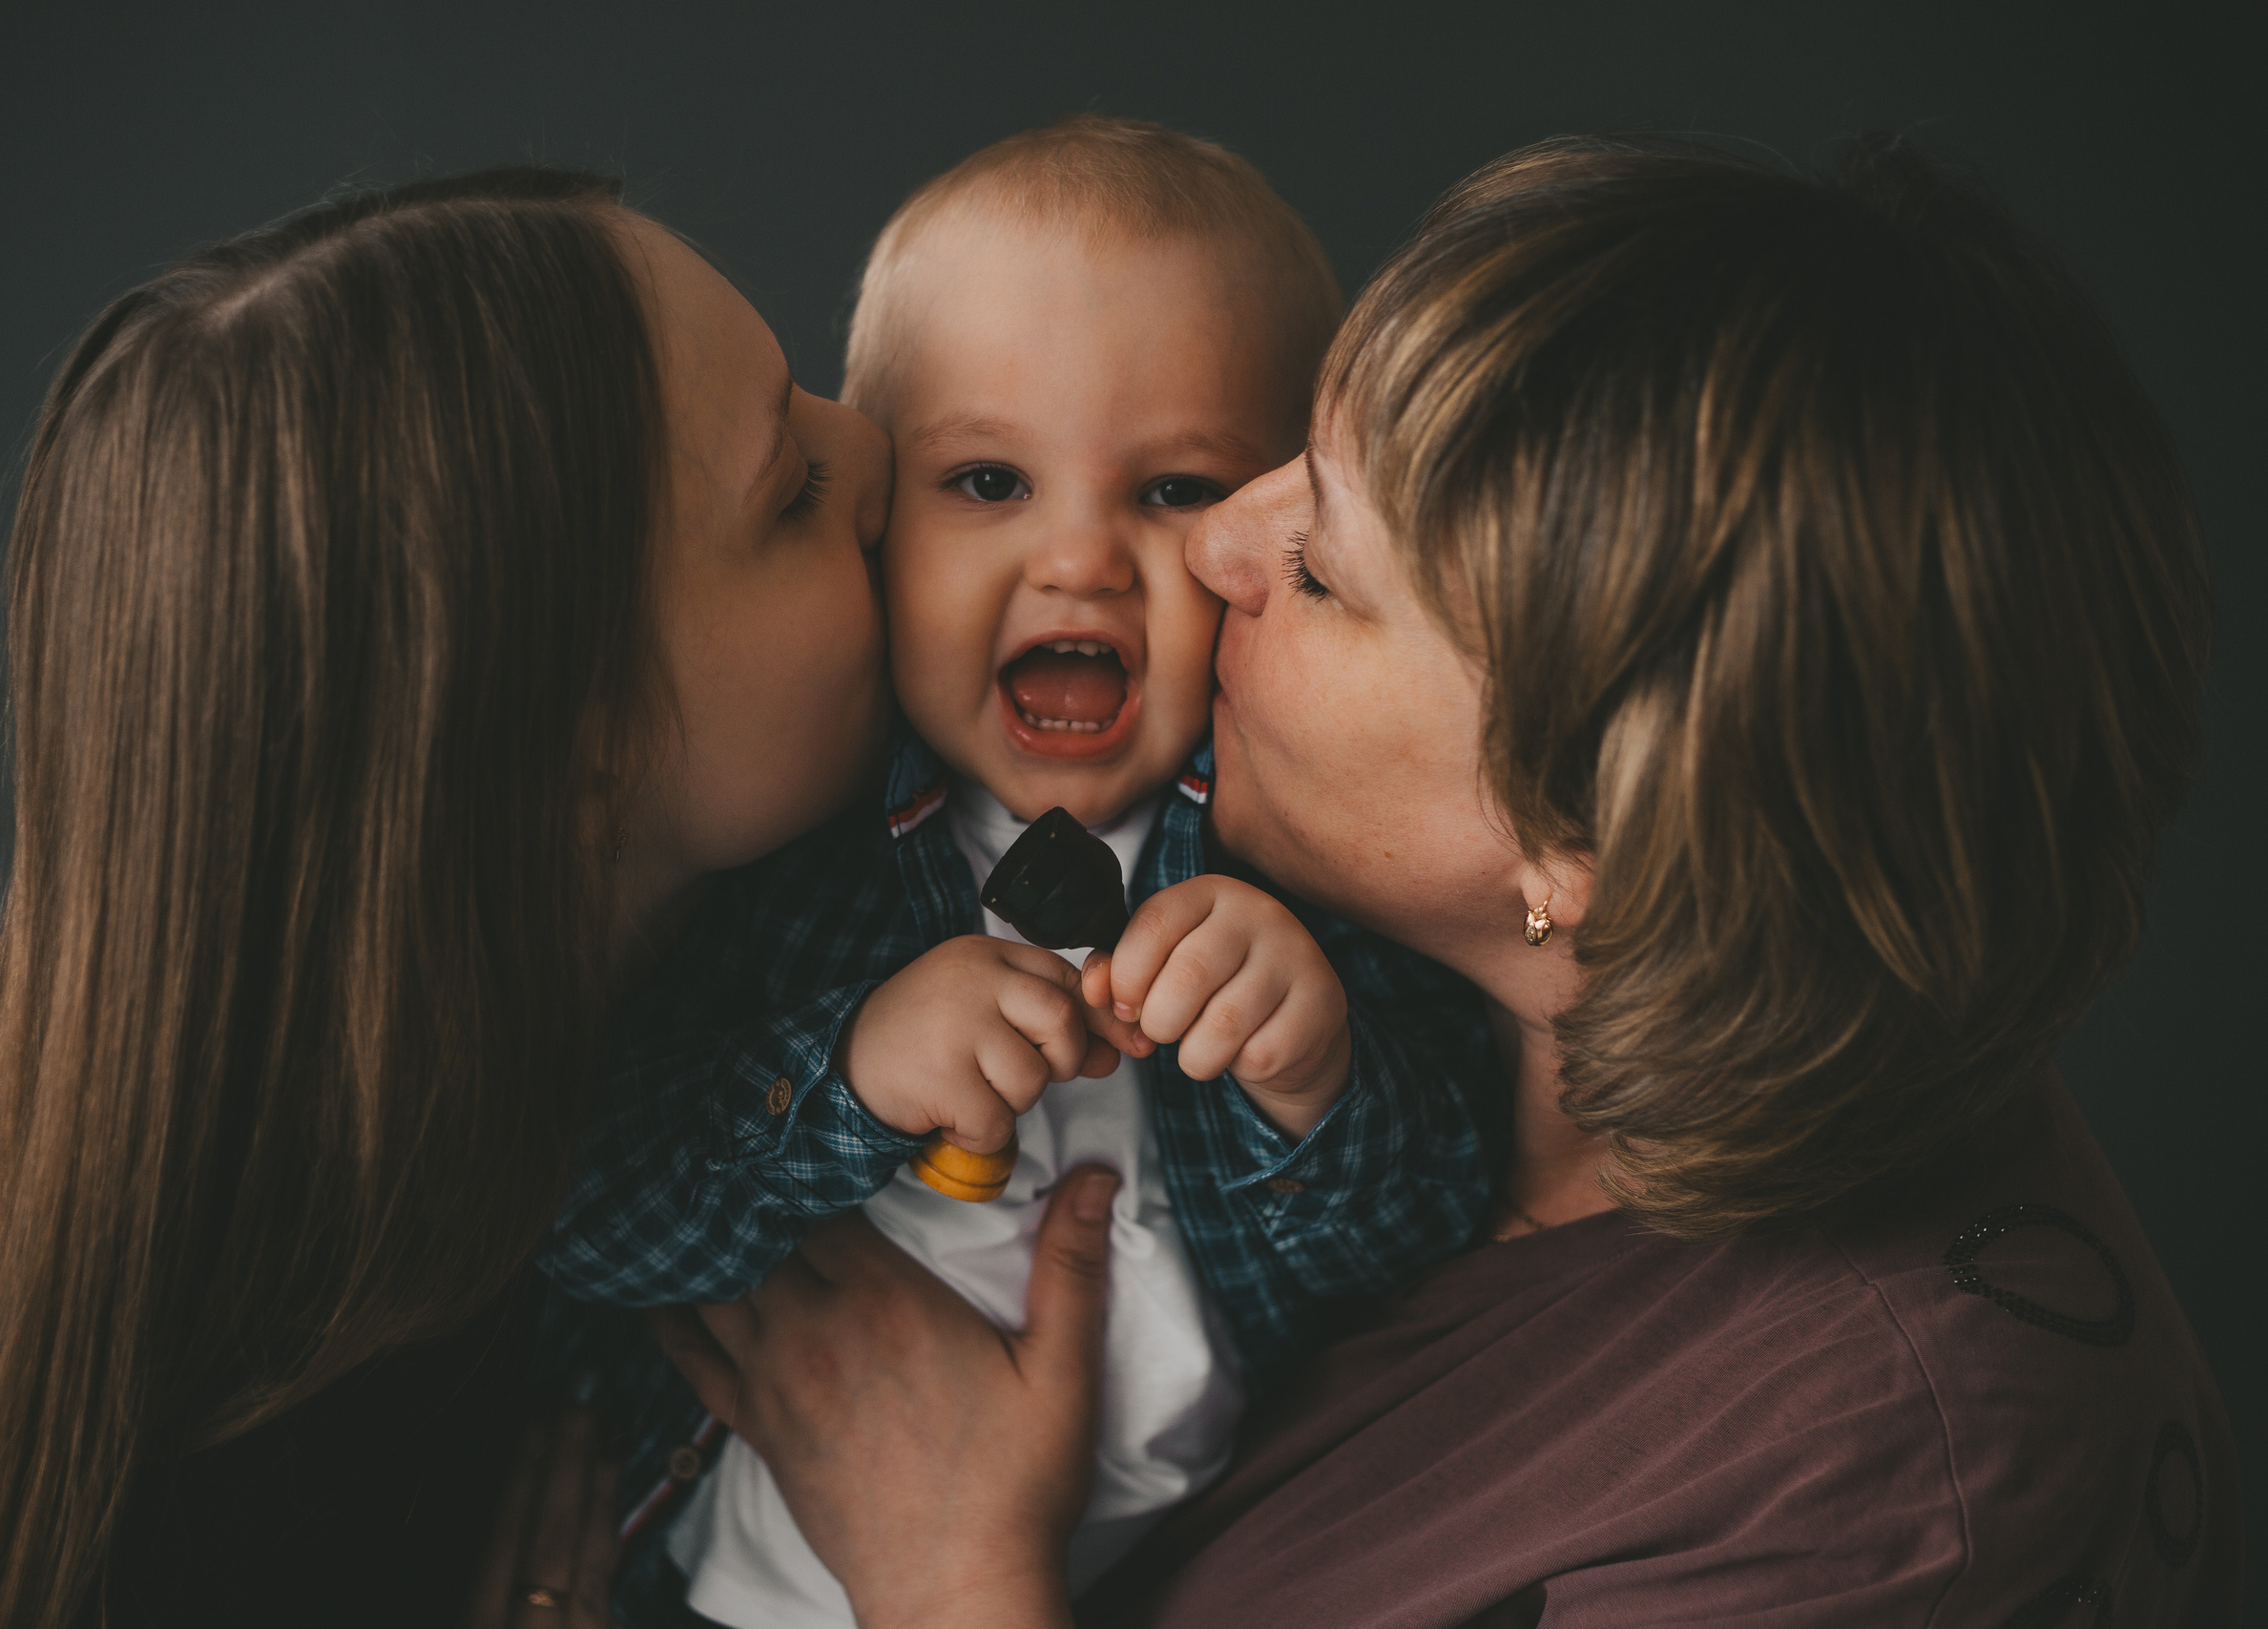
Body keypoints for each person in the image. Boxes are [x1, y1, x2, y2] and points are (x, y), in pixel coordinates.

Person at [646, 135, 2242, 1625]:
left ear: (1590, 849)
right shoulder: (1412, 996)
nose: (1214, 553)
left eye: (1324, 567)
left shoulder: (1884, 1493)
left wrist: (950, 1573)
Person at [0, 168, 893, 1628]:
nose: (880, 440)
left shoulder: (801, 955)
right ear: (571, 749)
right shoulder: (277, 1467)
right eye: (795, 493)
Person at [534, 117, 1493, 1629]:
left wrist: (1316, 1077)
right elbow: (595, 1216)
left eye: (1175, 490)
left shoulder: (1297, 874)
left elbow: (1424, 1247)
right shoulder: (803, 870)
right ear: (876, 521)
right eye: (988, 480)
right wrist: (844, 1075)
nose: (1080, 560)